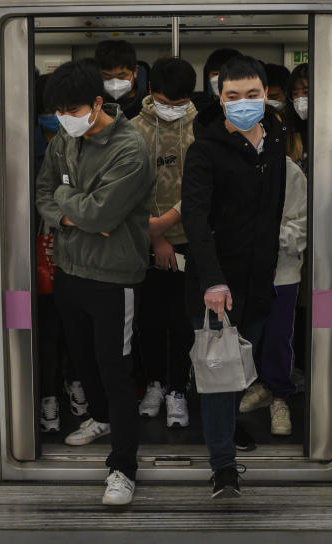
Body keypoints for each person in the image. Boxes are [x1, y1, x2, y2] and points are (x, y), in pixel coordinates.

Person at [35, 59, 154, 506]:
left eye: (73, 109)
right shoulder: (64, 141)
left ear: (98, 103)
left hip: (113, 278)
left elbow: (103, 214)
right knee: (83, 360)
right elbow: (43, 193)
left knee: (115, 371)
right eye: (59, 110)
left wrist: (79, 211)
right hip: (69, 270)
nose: (65, 118)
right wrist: (75, 211)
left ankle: (123, 467)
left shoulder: (129, 149)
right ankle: (99, 418)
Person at [182, 55, 287, 498]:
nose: (243, 103)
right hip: (218, 286)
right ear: (219, 99)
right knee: (220, 378)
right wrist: (212, 280)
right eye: (232, 96)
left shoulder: (276, 139)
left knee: (241, 374)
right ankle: (223, 466)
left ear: (265, 95)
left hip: (260, 280)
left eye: (252, 95)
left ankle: (224, 441)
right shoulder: (205, 150)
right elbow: (195, 217)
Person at [130, 57, 199, 428]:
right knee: (150, 318)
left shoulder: (202, 127)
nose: (171, 110)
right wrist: (154, 235)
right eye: (163, 101)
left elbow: (203, 186)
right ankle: (155, 383)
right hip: (141, 239)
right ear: (149, 92)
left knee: (184, 319)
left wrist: (169, 225)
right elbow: (125, 191)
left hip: (189, 239)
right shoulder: (131, 130)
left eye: (178, 103)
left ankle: (177, 389)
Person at [32, 76, 87, 431]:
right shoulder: (28, 143)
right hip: (37, 246)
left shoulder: (86, 142)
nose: (60, 116)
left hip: (79, 246)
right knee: (47, 326)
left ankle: (75, 381)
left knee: (78, 325)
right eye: (53, 109)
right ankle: (48, 392)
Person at [239, 154, 307, 435]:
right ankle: (258, 387)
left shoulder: (287, 169)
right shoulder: (227, 162)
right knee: (245, 336)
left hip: (283, 270)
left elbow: (301, 223)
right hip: (241, 268)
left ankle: (279, 396)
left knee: (278, 336)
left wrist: (265, 237)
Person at [264, 63, 305, 164]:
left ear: (286, 94)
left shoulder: (296, 122)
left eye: (273, 97)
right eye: (263, 97)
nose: (267, 101)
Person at [95, 40, 145, 119]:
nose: (115, 83)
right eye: (107, 76)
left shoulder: (147, 104)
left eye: (121, 76)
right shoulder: (92, 104)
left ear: (135, 71)